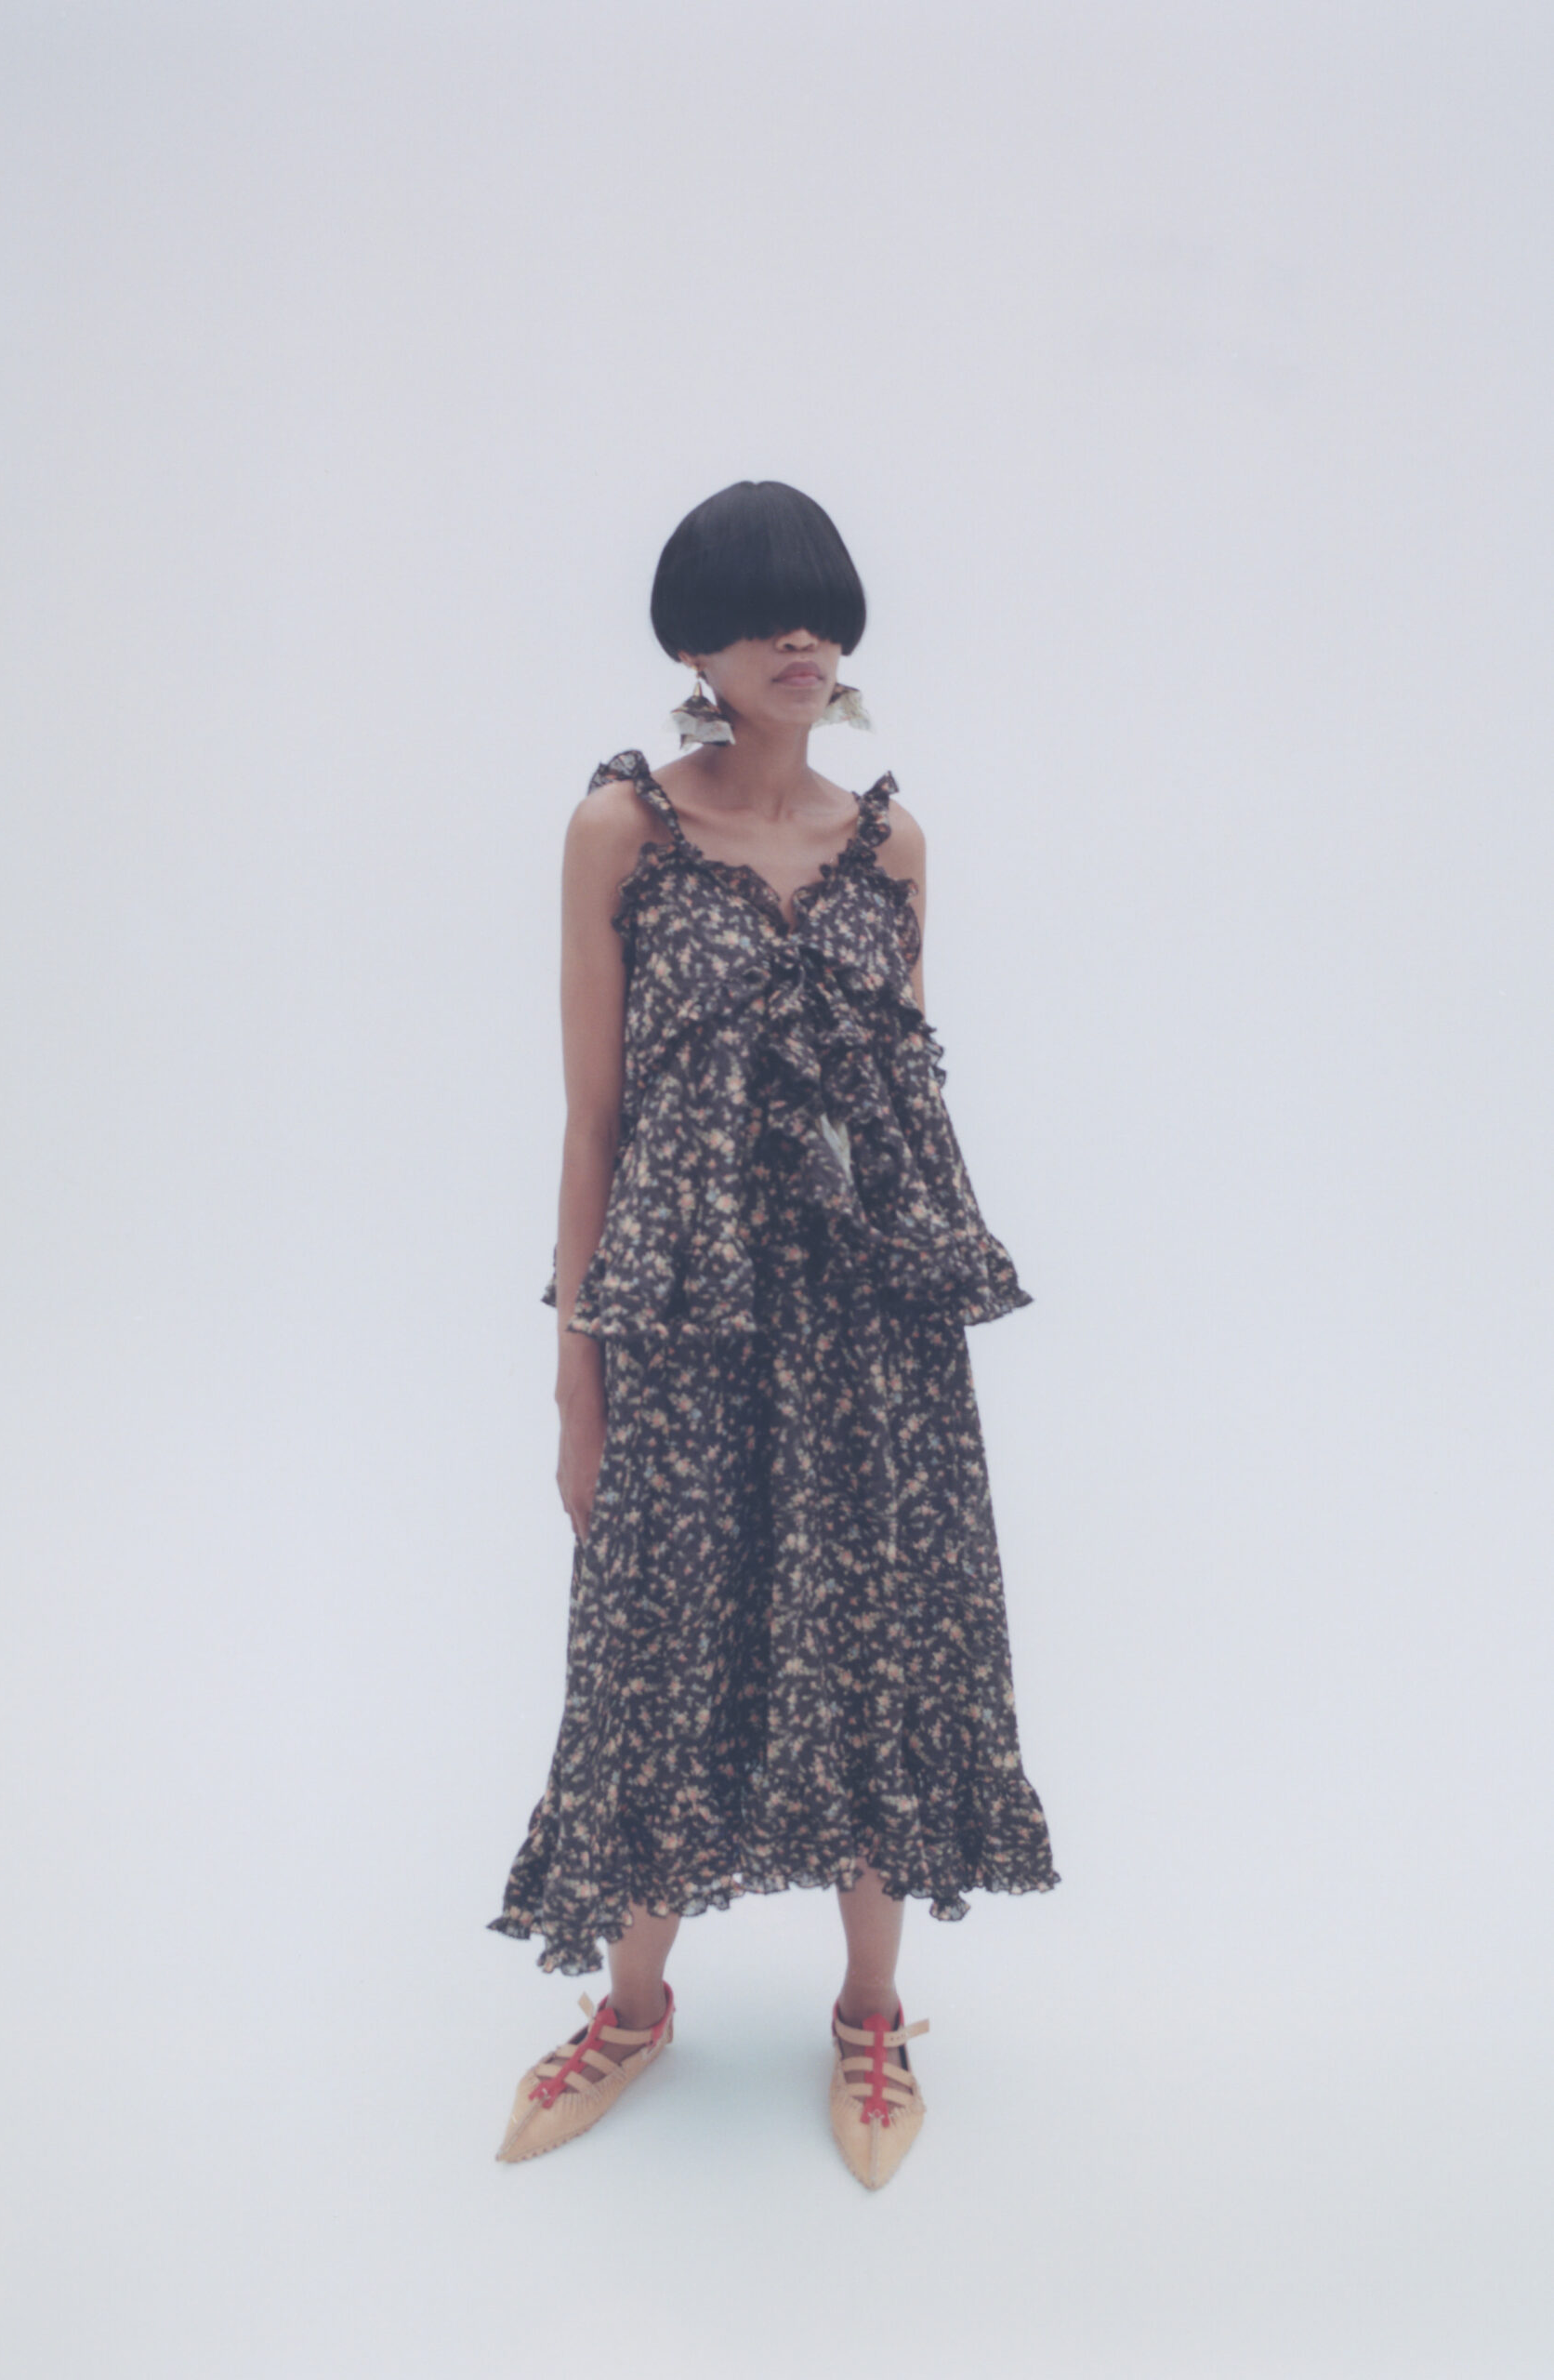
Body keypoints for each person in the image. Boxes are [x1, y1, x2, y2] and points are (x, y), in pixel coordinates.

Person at [489, 480, 1058, 2188]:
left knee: (882, 1641)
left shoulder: (893, 846)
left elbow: (899, 1099)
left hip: (871, 1330)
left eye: (821, 611)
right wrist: (577, 1376)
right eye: (759, 614)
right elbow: (595, 1121)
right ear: (696, 650)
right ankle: (631, 2009)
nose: (800, 639)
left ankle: (871, 2013)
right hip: (683, 1321)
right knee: (659, 1649)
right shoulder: (621, 832)